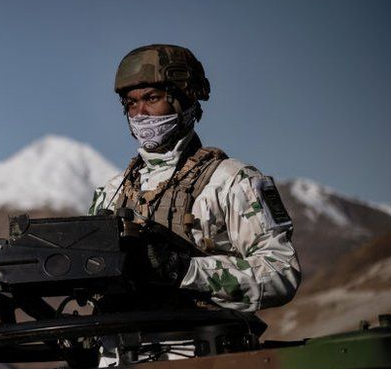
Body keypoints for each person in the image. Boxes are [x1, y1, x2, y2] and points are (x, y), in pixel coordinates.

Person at [89, 44, 301, 314]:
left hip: (196, 348)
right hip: (118, 352)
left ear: (185, 100)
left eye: (152, 98)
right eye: (131, 103)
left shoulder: (232, 181)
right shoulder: (109, 193)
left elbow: (281, 272)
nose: (140, 112)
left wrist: (185, 270)